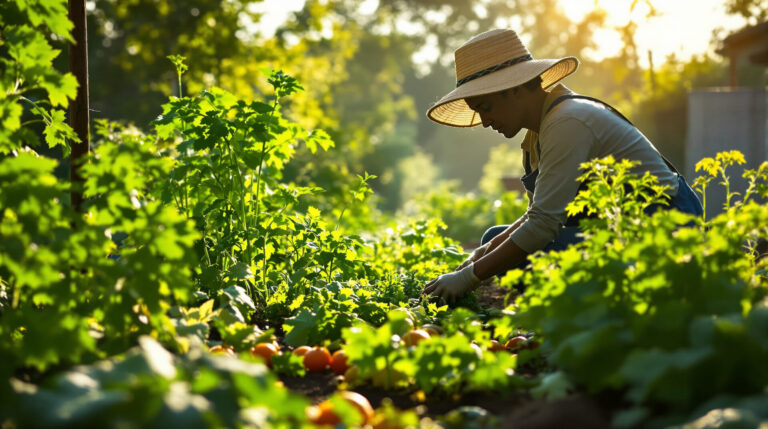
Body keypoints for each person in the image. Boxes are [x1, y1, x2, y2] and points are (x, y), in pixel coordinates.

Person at [421, 29, 703, 302]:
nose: (484, 122)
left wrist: (469, 277)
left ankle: (595, 313)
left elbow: (542, 227)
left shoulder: (567, 122)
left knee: (523, 253)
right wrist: (477, 257)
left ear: (514, 89)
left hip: (663, 232)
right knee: (493, 239)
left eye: (486, 108)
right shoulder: (537, 135)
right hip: (618, 231)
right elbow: (535, 216)